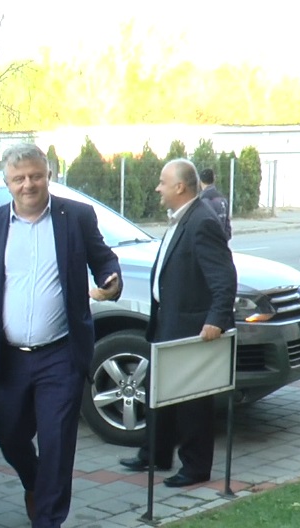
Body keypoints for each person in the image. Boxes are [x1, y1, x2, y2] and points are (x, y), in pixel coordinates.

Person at [0, 143, 121, 528]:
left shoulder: (75, 217)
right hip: (9, 357)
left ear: (48, 175)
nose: (28, 184)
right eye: (19, 178)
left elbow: (103, 260)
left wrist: (111, 280)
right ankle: (34, 482)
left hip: (60, 353)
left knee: (57, 440)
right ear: (6, 183)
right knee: (9, 435)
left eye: (35, 175)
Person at [119, 159, 237, 488]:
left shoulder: (202, 221)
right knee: (158, 391)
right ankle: (154, 453)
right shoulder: (182, 217)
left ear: (180, 187)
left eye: (162, 182)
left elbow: (224, 277)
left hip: (191, 328)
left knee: (191, 402)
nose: (157, 188)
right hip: (168, 321)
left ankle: (196, 467)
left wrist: (216, 319)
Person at [199, 167, 232, 240]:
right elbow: (227, 224)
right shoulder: (223, 199)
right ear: (214, 179)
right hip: (221, 241)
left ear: (200, 181)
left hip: (208, 241)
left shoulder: (201, 201)